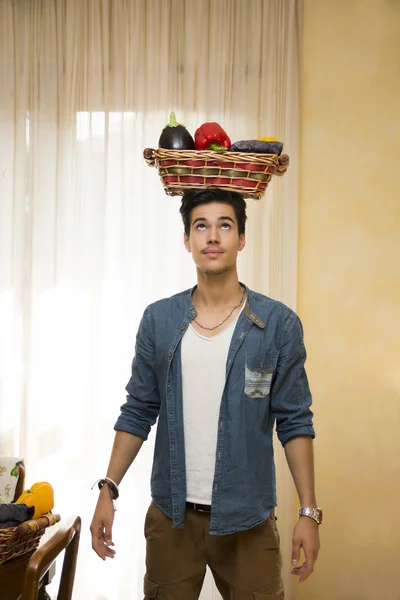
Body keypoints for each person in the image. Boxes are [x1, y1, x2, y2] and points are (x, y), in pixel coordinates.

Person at [90, 187, 321, 599]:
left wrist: (308, 512)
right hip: (172, 517)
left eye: (225, 226)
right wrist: (108, 488)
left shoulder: (278, 324)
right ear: (187, 240)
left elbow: (294, 420)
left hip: (249, 519)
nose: (213, 236)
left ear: (242, 239)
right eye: (201, 226)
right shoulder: (159, 320)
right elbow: (138, 410)